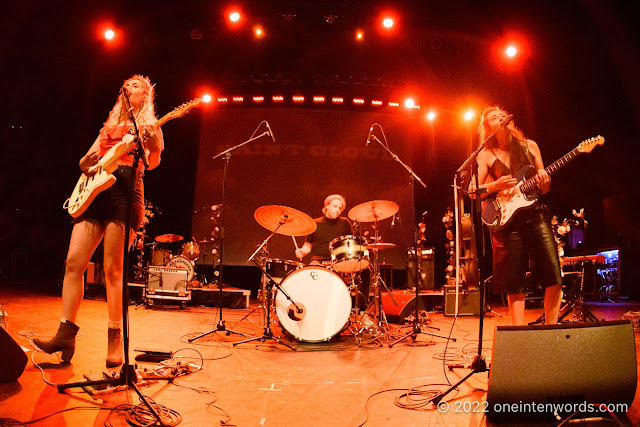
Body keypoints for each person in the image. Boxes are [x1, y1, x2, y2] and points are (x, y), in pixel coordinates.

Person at [33, 75, 164, 366]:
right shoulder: (108, 125)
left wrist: (148, 140)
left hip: (126, 188)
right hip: (96, 189)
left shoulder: (150, 124)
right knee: (73, 264)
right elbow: (85, 160)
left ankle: (115, 339)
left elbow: (153, 163)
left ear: (147, 95)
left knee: (112, 270)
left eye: (138, 86)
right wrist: (91, 160)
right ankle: (64, 335)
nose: (130, 88)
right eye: (128, 85)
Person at [473, 106, 562, 325]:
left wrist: (544, 180)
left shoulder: (529, 146)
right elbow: (473, 191)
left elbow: (545, 188)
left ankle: (552, 330)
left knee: (553, 275)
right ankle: (518, 334)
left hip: (536, 215)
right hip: (507, 223)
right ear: (488, 128)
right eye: (494, 117)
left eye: (502, 115)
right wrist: (495, 185)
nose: (501, 117)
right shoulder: (485, 154)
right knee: (515, 283)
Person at [295, 194, 352, 264]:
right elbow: (308, 245)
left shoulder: (344, 222)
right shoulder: (315, 223)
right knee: (312, 270)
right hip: (318, 260)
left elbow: (352, 243)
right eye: (335, 206)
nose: (337, 210)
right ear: (327, 206)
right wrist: (302, 252)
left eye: (340, 208)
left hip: (338, 260)